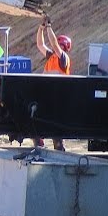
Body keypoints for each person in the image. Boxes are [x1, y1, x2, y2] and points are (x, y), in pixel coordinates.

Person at [35, 17, 72, 150]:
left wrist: (49, 27)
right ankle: (39, 143)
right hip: (46, 92)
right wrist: (41, 28)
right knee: (40, 120)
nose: (57, 47)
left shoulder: (63, 58)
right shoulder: (51, 56)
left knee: (55, 123)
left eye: (60, 45)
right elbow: (40, 44)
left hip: (58, 94)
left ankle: (59, 146)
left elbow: (54, 44)